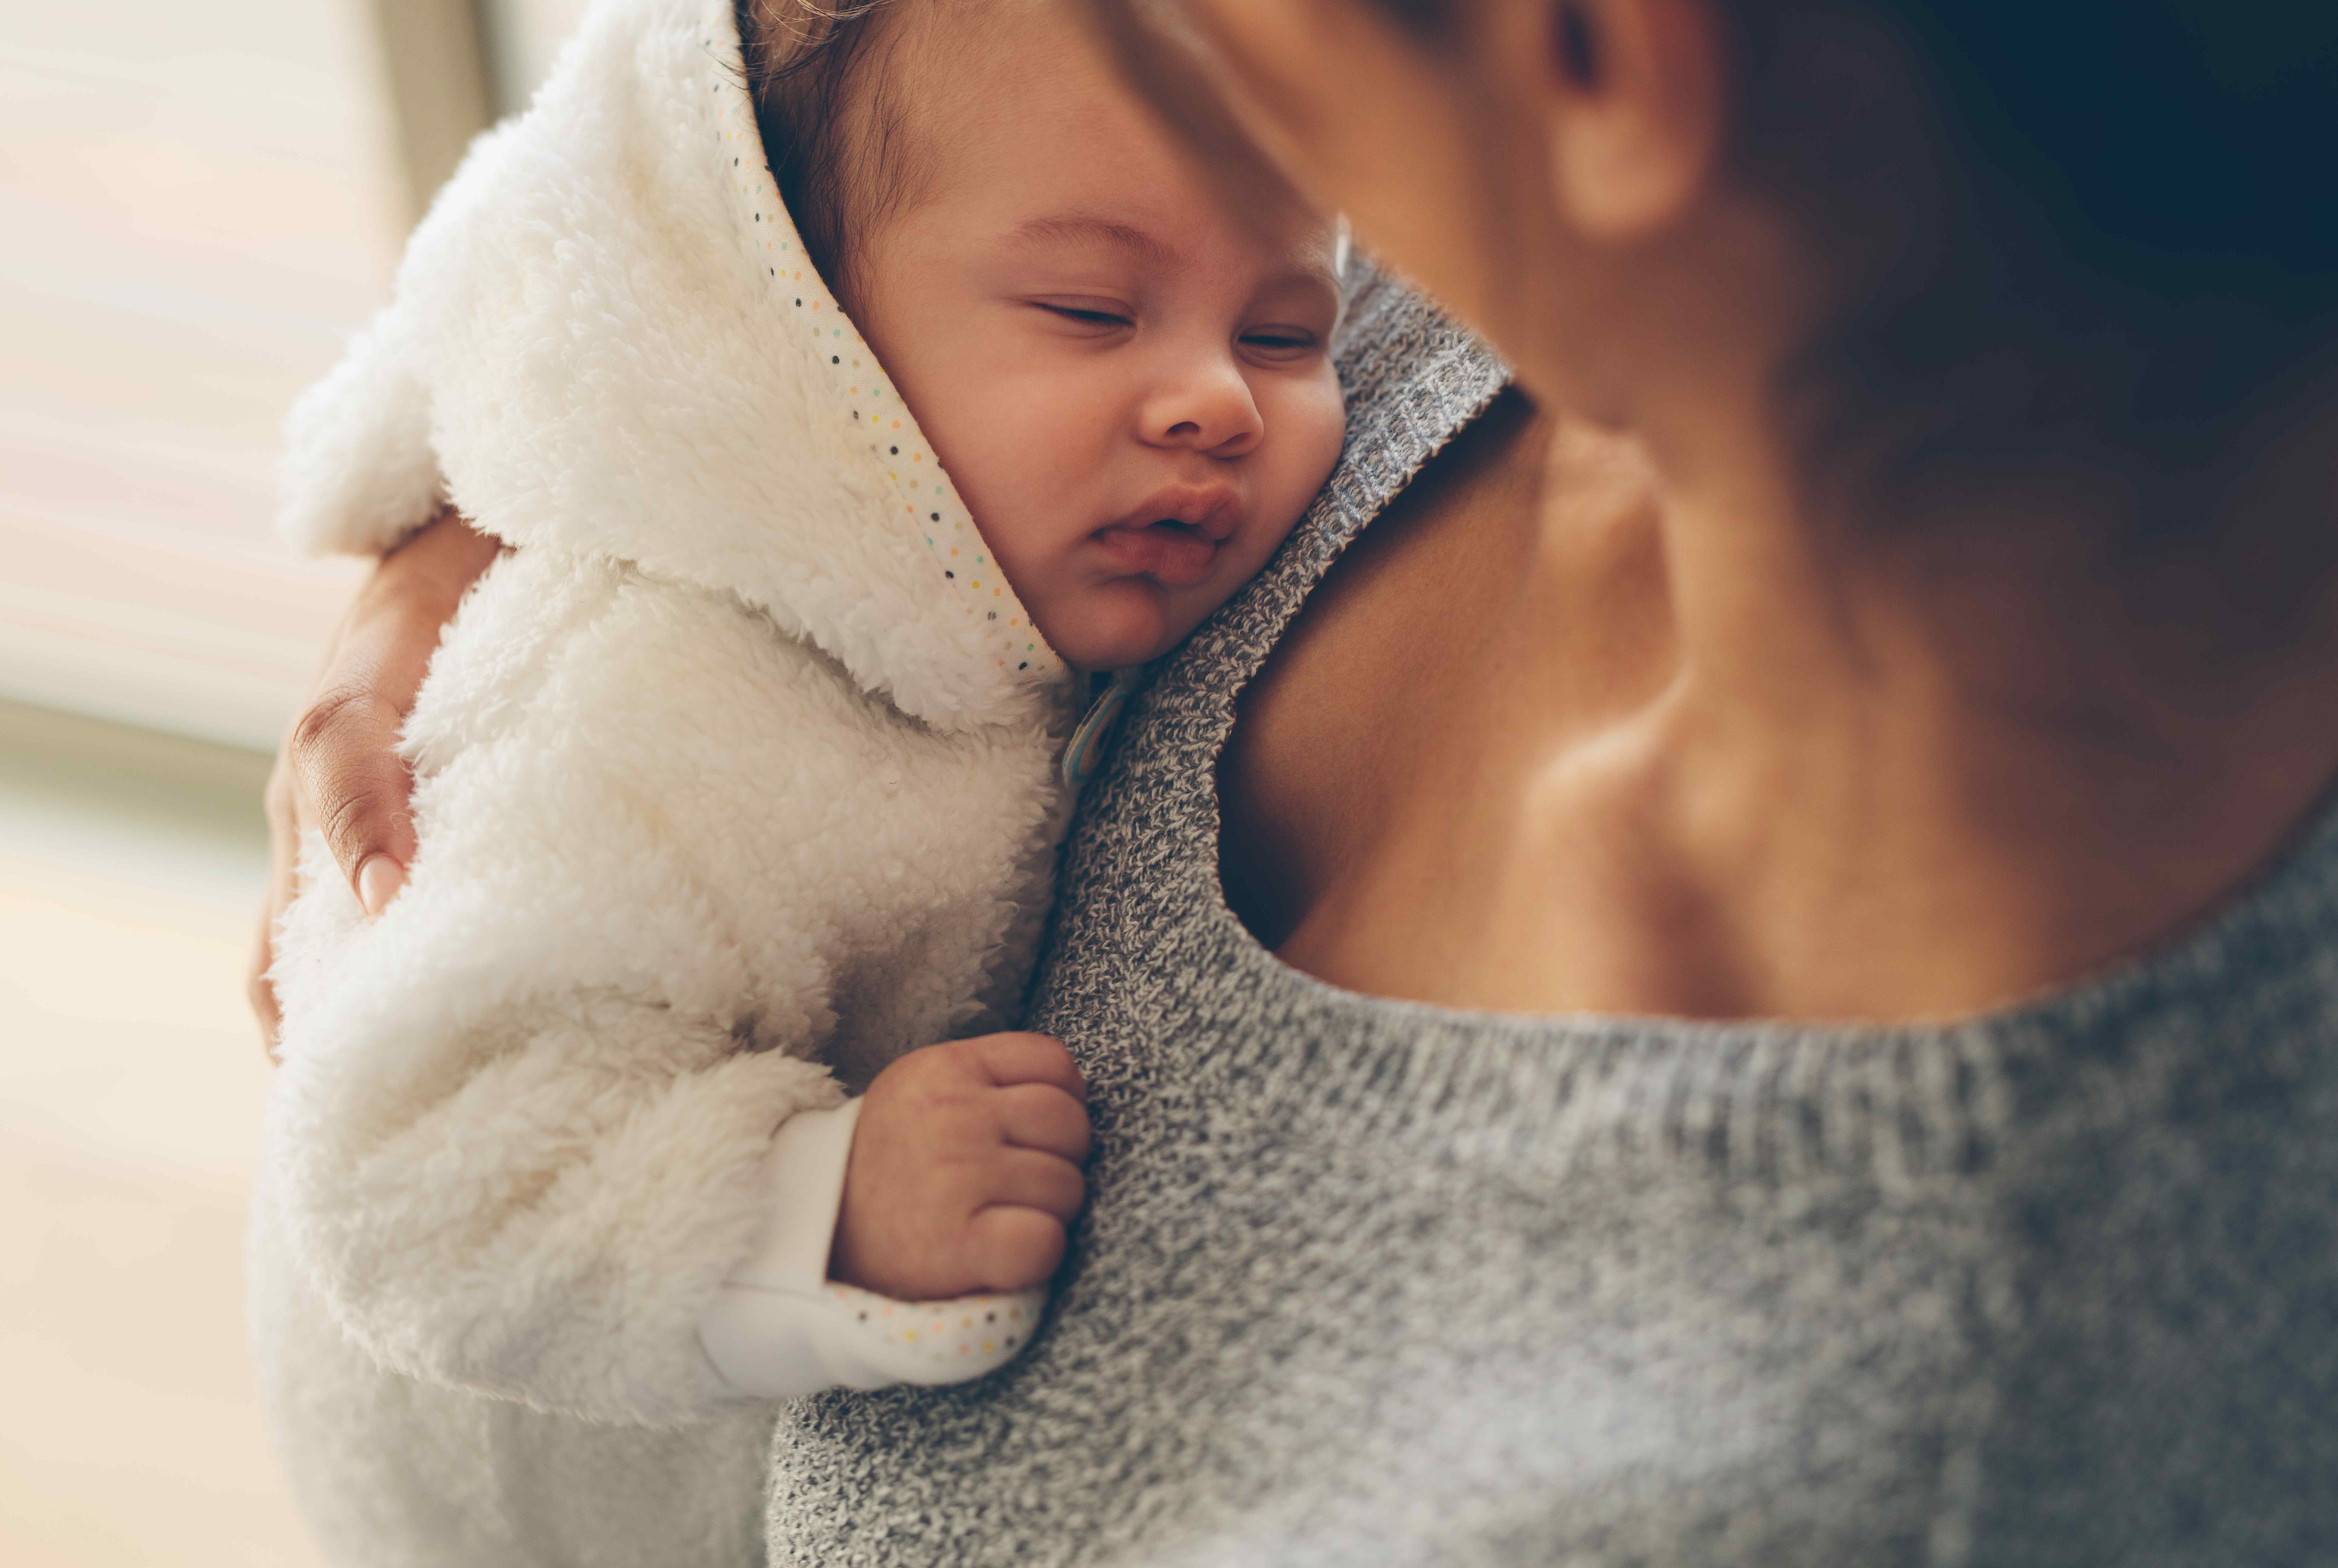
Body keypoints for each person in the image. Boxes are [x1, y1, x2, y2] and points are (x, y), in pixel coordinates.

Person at [254, 0, 2338, 1560]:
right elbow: (721, 147)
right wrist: (515, 475)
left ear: (1611, 61)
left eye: (1281, 325)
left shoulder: (1927, 1447)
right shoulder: (1491, 234)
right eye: (1089, 302)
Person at [247, 0, 1342, 1563]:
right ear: (795, 320)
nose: (1219, 403)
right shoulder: (667, 718)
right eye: (1095, 311)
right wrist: (821, 1204)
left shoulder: (978, 546)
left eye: (1290, 332)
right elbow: (412, 1169)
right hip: (526, 1474)